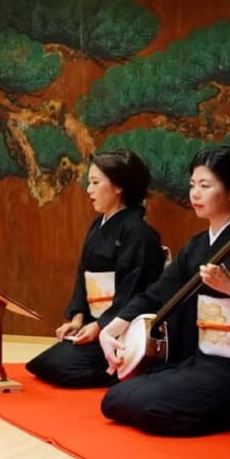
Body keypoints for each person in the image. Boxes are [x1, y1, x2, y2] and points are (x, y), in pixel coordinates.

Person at [99, 146, 230, 436]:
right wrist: (111, 330)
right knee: (115, 399)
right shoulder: (196, 246)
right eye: (193, 185)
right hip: (198, 360)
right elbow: (156, 294)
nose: (195, 193)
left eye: (205, 186)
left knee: (152, 409)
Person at [25, 149, 165, 388]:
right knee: (42, 364)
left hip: (119, 328)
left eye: (95, 182)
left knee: (60, 368)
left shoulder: (139, 233)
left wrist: (101, 327)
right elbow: (84, 275)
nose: (89, 190)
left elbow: (135, 291)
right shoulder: (97, 225)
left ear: (119, 186)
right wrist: (78, 319)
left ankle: (126, 366)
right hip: (94, 322)